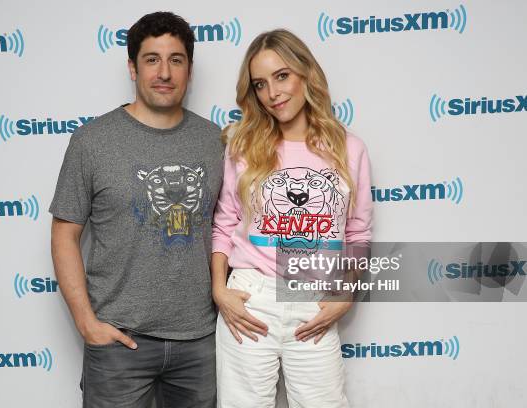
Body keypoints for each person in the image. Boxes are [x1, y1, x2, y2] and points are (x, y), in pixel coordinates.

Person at [49, 11, 223, 408]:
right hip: (118, 342)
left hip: (201, 343)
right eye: (151, 59)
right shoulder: (92, 141)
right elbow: (64, 233)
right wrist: (86, 322)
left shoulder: (215, 141)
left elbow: (234, 229)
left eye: (176, 60)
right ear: (133, 67)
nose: (164, 72)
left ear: (189, 70)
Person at [211, 29, 373, 407]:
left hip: (313, 298)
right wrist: (220, 290)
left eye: (282, 76)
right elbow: (223, 224)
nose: (273, 93)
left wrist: (346, 293)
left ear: (305, 74)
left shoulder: (349, 149)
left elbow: (358, 231)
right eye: (261, 84)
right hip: (251, 297)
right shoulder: (243, 146)